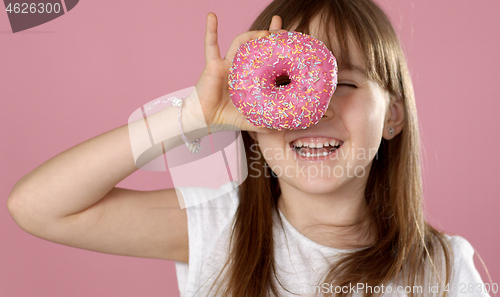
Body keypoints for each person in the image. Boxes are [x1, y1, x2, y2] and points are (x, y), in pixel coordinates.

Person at [7, 0, 491, 296]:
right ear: (252, 121)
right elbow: (38, 207)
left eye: (342, 83)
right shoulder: (220, 231)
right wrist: (194, 117)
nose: (312, 111)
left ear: (393, 116)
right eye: (285, 83)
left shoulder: (443, 267)